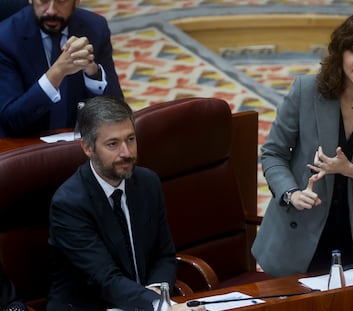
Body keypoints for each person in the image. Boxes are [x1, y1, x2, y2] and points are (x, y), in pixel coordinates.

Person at [252, 11, 353, 277]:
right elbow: (273, 154)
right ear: (341, 53)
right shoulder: (306, 90)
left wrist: (352, 170)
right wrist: (292, 193)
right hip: (299, 235)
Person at [47, 96, 203, 311]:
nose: (127, 153)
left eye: (130, 139)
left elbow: (164, 254)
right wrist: (158, 304)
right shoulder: (69, 204)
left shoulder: (148, 183)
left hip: (139, 302)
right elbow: (104, 279)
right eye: (113, 144)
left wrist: (156, 290)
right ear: (87, 148)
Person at [0, 0, 123, 138]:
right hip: (25, 145)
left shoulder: (95, 27)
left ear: (76, 2)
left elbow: (118, 110)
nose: (51, 11)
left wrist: (92, 73)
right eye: (43, 1)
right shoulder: (5, 38)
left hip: (79, 145)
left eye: (61, 1)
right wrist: (56, 73)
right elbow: (10, 120)